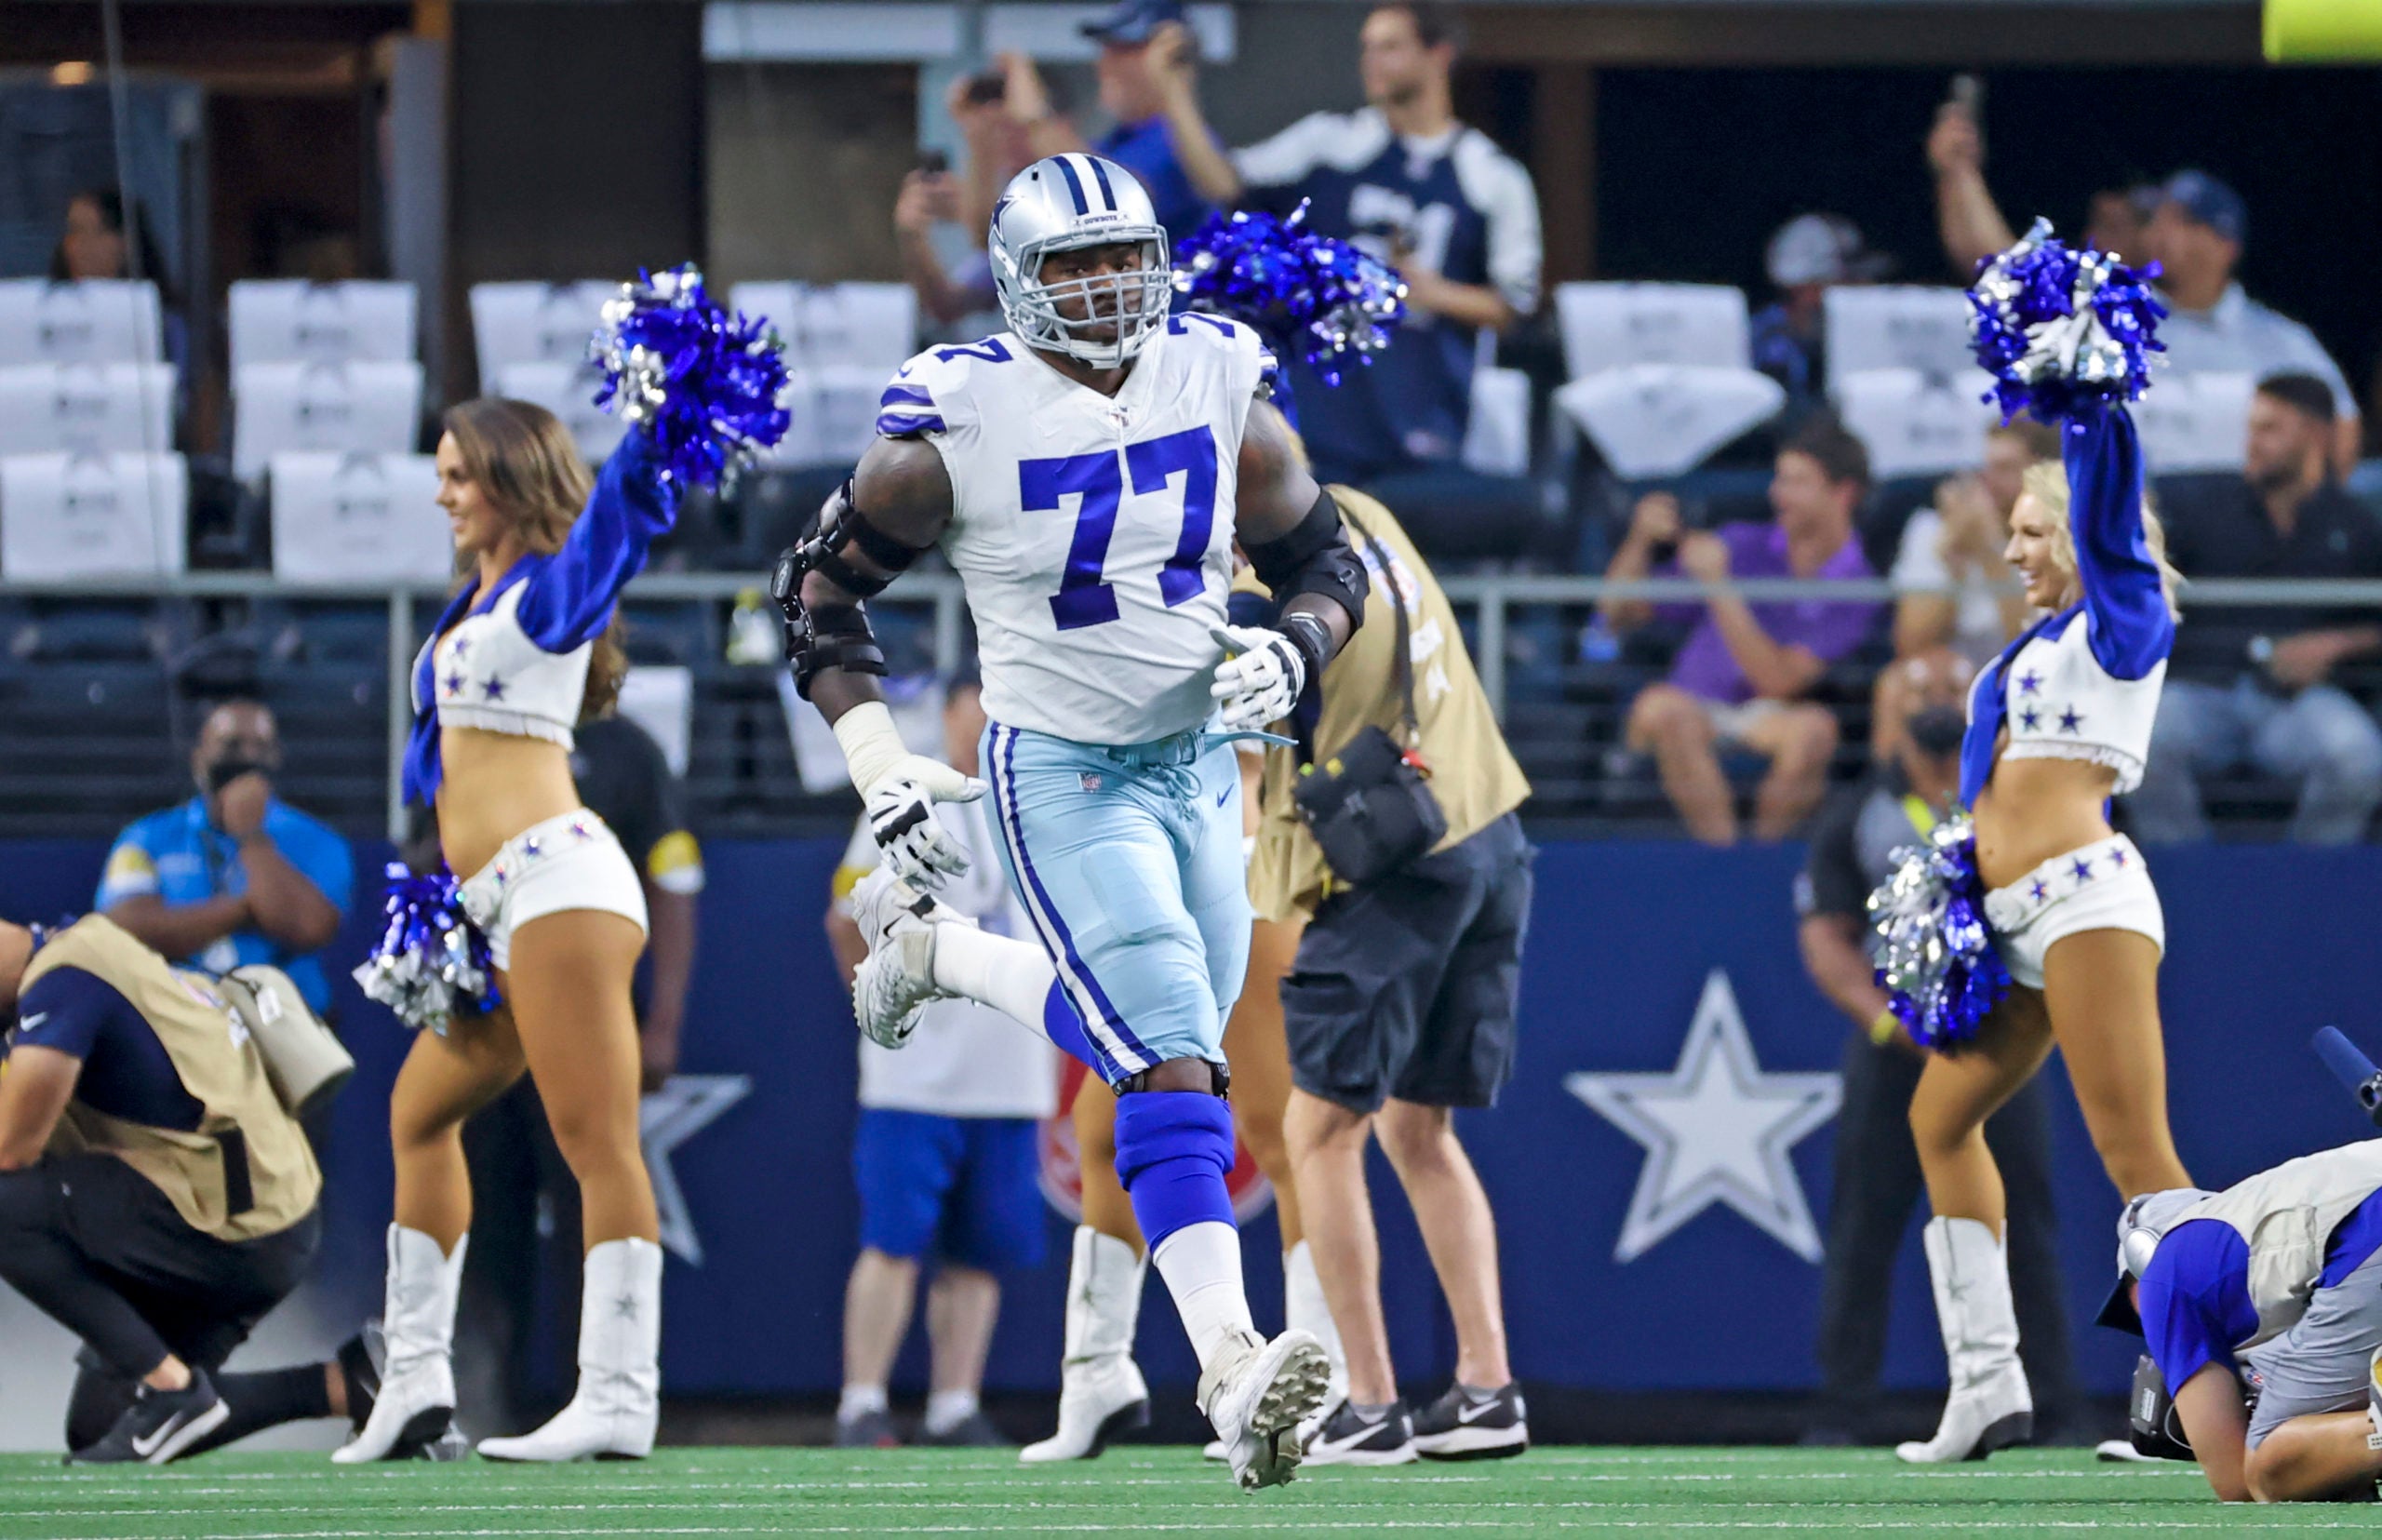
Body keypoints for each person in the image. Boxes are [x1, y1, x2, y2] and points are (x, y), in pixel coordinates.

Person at [781, 152, 1367, 1491]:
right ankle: (1230, 1363)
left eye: (1123, 257)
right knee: (1167, 1046)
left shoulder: (1215, 368)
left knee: (1172, 1047)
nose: (1106, 285)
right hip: (1060, 771)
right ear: (1017, 280)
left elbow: (1325, 559)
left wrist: (1296, 644)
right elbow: (814, 590)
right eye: (1075, 264)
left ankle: (937, 957)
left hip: (1203, 764)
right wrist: (878, 759)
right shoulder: (959, 414)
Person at [338, 397, 679, 1465]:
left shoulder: (545, 588)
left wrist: (659, 420)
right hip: (489, 907)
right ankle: (415, 1384)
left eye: (457, 475)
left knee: (596, 1142)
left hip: (562, 890)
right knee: (417, 1115)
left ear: (510, 479)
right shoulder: (470, 602)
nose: (441, 493)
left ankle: (620, 1393)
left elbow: (614, 529)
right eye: (438, 473)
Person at [1897, 404, 2195, 1464]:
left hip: (2086, 907)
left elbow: (2114, 522)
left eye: (2033, 530)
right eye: (2013, 532)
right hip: (2013, 925)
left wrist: (2091, 410)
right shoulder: (2041, 639)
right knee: (1937, 1119)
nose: (2014, 548)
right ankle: (1986, 1384)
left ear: (2079, 533)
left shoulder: (2126, 618)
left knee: (2137, 1157)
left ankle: (2212, 1393)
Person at [1260, 488, 1534, 1464]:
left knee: (1318, 1129)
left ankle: (1367, 1402)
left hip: (1396, 857)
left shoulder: (1257, 574)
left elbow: (1260, 757)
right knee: (1418, 1126)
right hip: (1488, 825)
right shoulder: (1357, 507)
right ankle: (1487, 1385)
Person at [1794, 649, 2079, 1445]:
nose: (1936, 698)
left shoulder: (2015, 801)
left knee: (2024, 1222)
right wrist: (1897, 1023)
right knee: (1865, 1227)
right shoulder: (1856, 814)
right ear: (1885, 705)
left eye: (1954, 684)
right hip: (1896, 1054)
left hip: (2003, 1051)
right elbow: (1825, 936)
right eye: (1915, 685)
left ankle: (2051, 1407)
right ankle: (1843, 1410)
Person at [1019, 756, 1330, 1466]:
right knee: (1101, 1128)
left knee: (1285, 1135)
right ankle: (1095, 1377)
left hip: (1239, 858)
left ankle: (1325, 1394)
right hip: (1155, 854)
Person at [1157, 4, 1545, 562]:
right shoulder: (1332, 143)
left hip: (1426, 427)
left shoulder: (1491, 174)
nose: (1371, 61)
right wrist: (1175, 92)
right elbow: (1225, 183)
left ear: (1438, 54)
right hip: (1325, 420)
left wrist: (1425, 291)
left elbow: (1514, 306)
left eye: (1390, 46)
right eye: (1366, 47)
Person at [0, 915, 340, 1463]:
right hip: (266, 1219)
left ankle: (171, 1389)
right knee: (100, 1426)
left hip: (227, 1225)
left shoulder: (65, 978)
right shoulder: (78, 948)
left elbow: (11, 1152)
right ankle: (348, 1385)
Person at [455, 707, 705, 1436]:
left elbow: (676, 877)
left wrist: (662, 1021)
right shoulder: (470, 733)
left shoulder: (627, 748)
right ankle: (482, 1400)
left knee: (589, 1210)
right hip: (488, 1017)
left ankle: (588, 1400)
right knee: (485, 1215)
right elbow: (426, 863)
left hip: (588, 1016)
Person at [823, 676, 1054, 1450]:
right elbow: (845, 914)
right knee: (893, 1239)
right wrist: (877, 1001)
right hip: (914, 1073)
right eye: (978, 703)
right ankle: (863, 1400)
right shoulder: (909, 793)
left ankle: (956, 1402)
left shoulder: (1047, 797)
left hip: (1009, 1070)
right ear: (952, 711)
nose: (989, 719)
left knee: (983, 1249)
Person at [1924, 114, 2362, 472]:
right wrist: (1958, 173)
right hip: (2126, 511)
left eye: (2184, 221)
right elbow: (2003, 269)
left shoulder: (2279, 341)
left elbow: (2340, 430)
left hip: (2233, 525)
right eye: (2159, 218)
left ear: (2224, 246)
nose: (2161, 232)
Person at [1600, 417, 1885, 845]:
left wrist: (1719, 586)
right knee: (1666, 712)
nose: (1777, 494)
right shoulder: (1740, 543)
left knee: (1815, 731)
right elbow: (1618, 613)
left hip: (1770, 715)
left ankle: (1760, 862)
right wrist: (1639, 540)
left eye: (1796, 482)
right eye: (1779, 480)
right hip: (1691, 706)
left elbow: (1780, 681)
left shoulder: (1857, 586)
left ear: (1843, 494)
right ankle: (1728, 865)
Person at [2132, 373, 2382, 846]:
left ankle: (2302, 890)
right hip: (2205, 690)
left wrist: (2336, 644)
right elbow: (2149, 558)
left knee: (2357, 757)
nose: (2253, 443)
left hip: (2296, 704)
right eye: (2251, 428)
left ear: (2314, 435)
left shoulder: (2355, 522)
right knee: (2141, 746)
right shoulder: (2207, 505)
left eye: (2270, 429)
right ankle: (2193, 887)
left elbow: (2375, 621)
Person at [2099, 1141, 2382, 1502]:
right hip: (2364, 1231)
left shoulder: (2162, 1276)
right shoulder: (2257, 1220)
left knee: (2272, 1469)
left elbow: (2237, 1482)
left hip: (2369, 1239)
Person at [98, 701, 354, 1019]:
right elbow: (124, 929)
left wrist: (251, 836)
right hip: (174, 1022)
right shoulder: (146, 837)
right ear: (199, 757)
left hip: (285, 1028)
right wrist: (242, 909)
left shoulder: (318, 840)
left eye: (260, 747)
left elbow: (310, 928)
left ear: (276, 757)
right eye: (231, 745)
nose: (247, 758)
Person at [1873, 420, 2060, 759]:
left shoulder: (2061, 540)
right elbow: (1910, 644)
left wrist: (1990, 554)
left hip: (2021, 679)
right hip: (1946, 681)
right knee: (1896, 684)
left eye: (2006, 469)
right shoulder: (1931, 529)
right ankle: (1897, 806)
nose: (1989, 481)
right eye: (1987, 467)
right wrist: (1953, 564)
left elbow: (2033, 647)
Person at [979, 0, 1219, 242]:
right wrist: (981, 138)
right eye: (1107, 50)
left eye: (1124, 50)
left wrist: (1035, 118)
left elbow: (1115, 199)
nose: (1105, 63)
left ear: (1172, 58)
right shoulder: (1116, 142)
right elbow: (997, 237)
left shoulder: (1181, 142)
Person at [1749, 214, 1892, 413]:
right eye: (1850, 280)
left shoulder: (1851, 341)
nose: (1866, 288)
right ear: (1808, 290)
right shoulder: (1761, 346)